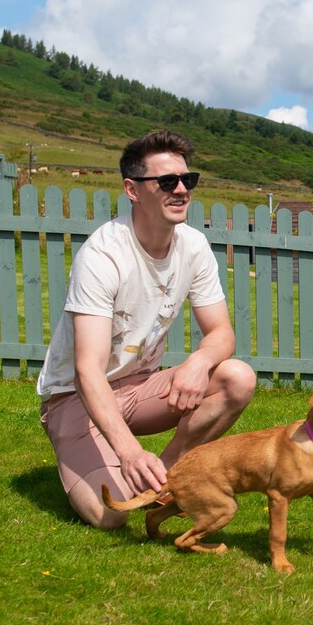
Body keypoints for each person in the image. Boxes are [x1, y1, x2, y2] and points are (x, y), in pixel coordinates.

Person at [36, 130, 256, 529]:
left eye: (187, 180)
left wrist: (199, 361)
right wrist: (130, 451)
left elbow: (222, 331)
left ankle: (169, 477)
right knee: (111, 514)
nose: (181, 190)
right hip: (76, 398)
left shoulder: (194, 245)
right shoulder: (102, 254)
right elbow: (88, 370)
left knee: (236, 378)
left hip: (141, 387)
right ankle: (94, 454)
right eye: (167, 182)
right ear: (132, 190)